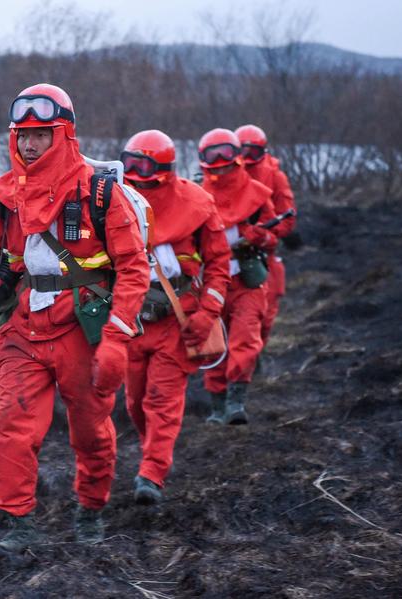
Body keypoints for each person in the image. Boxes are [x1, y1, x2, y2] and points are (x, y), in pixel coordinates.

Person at [0, 83, 150, 552]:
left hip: (83, 329)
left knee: (91, 432)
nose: (29, 144)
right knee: (12, 425)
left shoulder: (100, 192)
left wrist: (116, 337)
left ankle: (91, 510)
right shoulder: (6, 196)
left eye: (40, 134)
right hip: (24, 328)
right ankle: (19, 524)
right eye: (22, 134)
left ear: (63, 134)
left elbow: (133, 268)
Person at [120, 130, 231, 503]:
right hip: (132, 319)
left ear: (164, 168)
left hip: (177, 320)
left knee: (161, 399)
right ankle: (151, 451)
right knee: (135, 402)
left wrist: (208, 312)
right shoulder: (115, 200)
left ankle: (152, 474)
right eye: (131, 163)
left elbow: (219, 263)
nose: (137, 173)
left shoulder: (197, 203)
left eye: (144, 165)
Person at [198, 128, 277, 425]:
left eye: (227, 163)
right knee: (212, 344)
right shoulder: (196, 197)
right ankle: (217, 407)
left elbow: (273, 236)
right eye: (215, 164)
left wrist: (257, 236)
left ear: (238, 160)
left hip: (247, 280)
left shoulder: (257, 194)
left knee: (245, 339)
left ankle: (236, 403)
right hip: (211, 282)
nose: (221, 168)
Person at [234, 124, 297, 348]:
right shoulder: (225, 175)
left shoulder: (275, 176)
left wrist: (264, 234)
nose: (247, 157)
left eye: (252, 151)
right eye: (242, 151)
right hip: (229, 255)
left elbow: (287, 219)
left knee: (265, 315)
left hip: (262, 254)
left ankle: (255, 354)